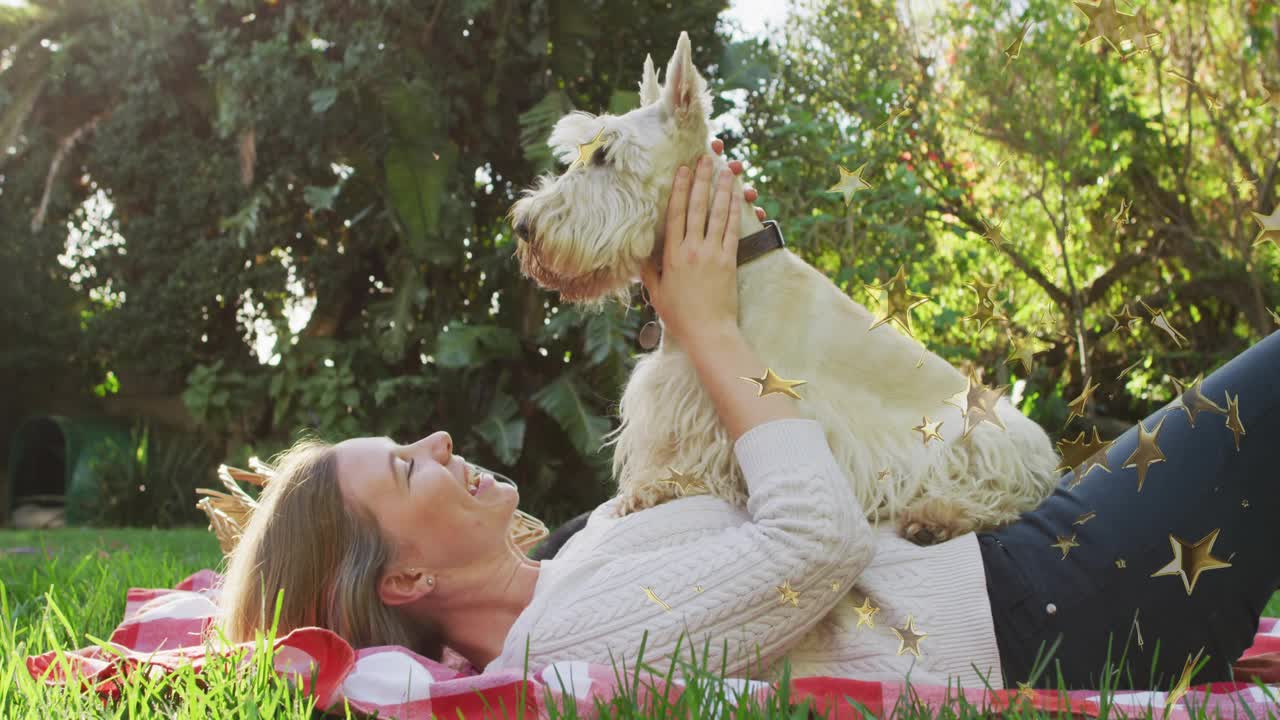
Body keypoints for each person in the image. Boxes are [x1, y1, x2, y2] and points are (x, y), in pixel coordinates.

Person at [217, 146, 1280, 694]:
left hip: (1025, 566)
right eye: (407, 468)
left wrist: (722, 277)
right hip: (1051, 613)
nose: (440, 442)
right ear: (405, 582)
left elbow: (770, 459)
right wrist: (709, 327)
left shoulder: (566, 570)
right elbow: (812, 541)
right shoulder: (565, 639)